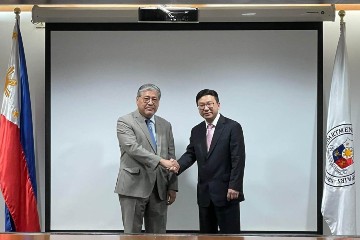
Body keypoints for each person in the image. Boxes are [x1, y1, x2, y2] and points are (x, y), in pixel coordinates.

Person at [174, 89, 246, 234]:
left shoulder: (232, 127)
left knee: (230, 236)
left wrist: (235, 186)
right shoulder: (197, 130)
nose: (205, 108)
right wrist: (177, 165)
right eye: (201, 105)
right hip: (205, 194)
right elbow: (191, 154)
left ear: (218, 104)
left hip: (227, 192)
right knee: (206, 236)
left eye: (209, 104)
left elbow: (238, 158)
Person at [114, 83, 179, 234]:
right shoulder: (125, 121)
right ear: (137, 100)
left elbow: (171, 155)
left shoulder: (165, 125)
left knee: (158, 235)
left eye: (154, 99)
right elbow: (133, 148)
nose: (150, 102)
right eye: (146, 98)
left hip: (159, 189)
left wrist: (172, 186)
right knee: (132, 235)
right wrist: (160, 161)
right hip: (133, 187)